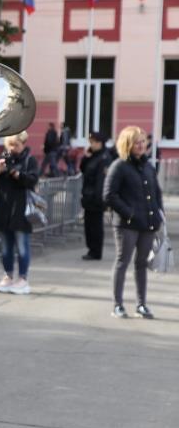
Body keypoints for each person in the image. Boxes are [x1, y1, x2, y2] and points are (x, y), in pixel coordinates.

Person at [104, 126, 164, 319]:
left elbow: (156, 193)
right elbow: (109, 195)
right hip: (127, 224)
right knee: (123, 262)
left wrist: (158, 215)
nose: (141, 145)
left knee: (141, 264)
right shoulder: (119, 166)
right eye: (136, 142)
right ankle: (118, 305)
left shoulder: (148, 167)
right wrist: (128, 213)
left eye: (143, 141)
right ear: (127, 144)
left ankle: (141, 304)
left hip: (147, 224)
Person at [0, 131, 39, 295]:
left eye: (16, 145)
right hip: (3, 208)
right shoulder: (3, 159)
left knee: (22, 246)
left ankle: (23, 279)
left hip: (21, 209)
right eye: (10, 144)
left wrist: (15, 173)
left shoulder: (29, 160)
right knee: (6, 247)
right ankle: (8, 275)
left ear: (23, 144)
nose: (12, 148)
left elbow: (32, 180)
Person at [79, 131, 114, 261]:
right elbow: (83, 169)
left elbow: (101, 180)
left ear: (100, 143)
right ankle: (91, 249)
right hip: (88, 197)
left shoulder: (105, 158)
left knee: (95, 227)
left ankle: (96, 251)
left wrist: (100, 200)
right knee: (89, 226)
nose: (91, 145)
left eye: (93, 142)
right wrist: (86, 157)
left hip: (96, 198)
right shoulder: (93, 156)